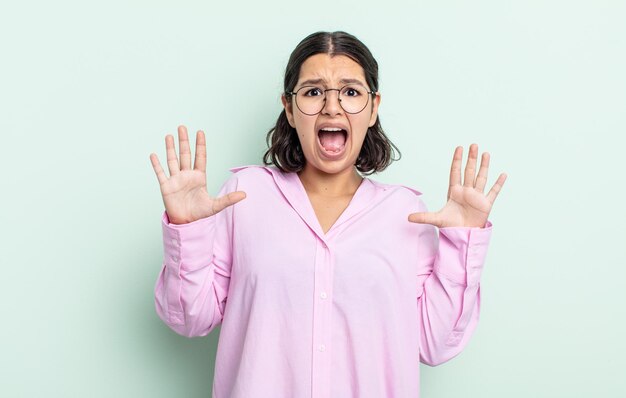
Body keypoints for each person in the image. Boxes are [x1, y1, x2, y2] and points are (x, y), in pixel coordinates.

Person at [149, 31, 506, 398]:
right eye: (313, 92)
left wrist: (463, 239)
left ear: (373, 107)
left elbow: (436, 343)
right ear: (289, 108)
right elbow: (190, 319)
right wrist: (187, 228)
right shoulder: (245, 196)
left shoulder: (405, 213)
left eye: (351, 92)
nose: (331, 108)